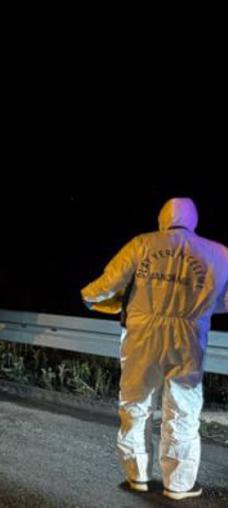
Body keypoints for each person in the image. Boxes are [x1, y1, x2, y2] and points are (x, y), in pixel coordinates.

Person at [81, 198, 228, 500]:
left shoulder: (142, 244)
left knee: (135, 403)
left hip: (142, 335)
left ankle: (137, 476)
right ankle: (179, 484)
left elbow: (111, 280)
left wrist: (89, 296)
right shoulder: (219, 253)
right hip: (187, 337)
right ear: (193, 220)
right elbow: (225, 300)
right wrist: (199, 308)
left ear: (163, 217)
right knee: (182, 410)